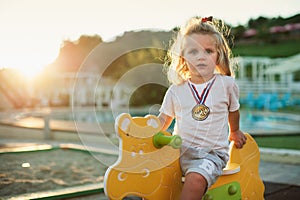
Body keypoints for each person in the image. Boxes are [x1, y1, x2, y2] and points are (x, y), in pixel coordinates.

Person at [158, 16, 247, 200]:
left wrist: (235, 131)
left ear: (218, 56)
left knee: (196, 179)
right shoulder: (176, 90)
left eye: (208, 51)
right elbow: (163, 120)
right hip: (178, 153)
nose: (201, 57)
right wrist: (146, 131)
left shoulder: (227, 85)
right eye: (193, 51)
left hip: (211, 155)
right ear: (183, 57)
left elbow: (233, 111)